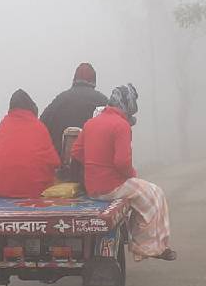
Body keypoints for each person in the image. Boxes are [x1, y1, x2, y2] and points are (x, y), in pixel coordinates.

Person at [71, 83, 176, 261]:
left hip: (93, 187)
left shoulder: (90, 123)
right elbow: (122, 162)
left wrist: (95, 165)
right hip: (113, 186)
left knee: (143, 194)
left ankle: (145, 243)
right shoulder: (121, 125)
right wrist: (131, 175)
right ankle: (149, 247)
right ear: (128, 105)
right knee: (156, 194)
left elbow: (76, 152)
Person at [40, 63, 110, 180]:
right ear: (94, 81)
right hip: (93, 171)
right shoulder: (103, 102)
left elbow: (41, 126)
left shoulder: (59, 100)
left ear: (74, 79)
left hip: (61, 171)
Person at [0, 89, 60, 198]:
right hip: (36, 191)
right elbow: (54, 161)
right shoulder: (39, 126)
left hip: (3, 190)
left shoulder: (4, 125)